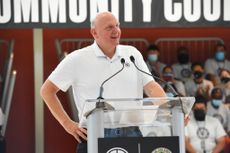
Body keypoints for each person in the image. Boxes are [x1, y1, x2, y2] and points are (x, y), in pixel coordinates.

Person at [40, 12, 166, 153]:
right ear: (94, 32)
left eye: (117, 26)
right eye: (109, 27)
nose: (116, 30)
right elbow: (47, 90)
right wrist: (67, 124)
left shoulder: (132, 54)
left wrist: (170, 110)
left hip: (131, 133)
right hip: (94, 134)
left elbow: (151, 87)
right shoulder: (77, 58)